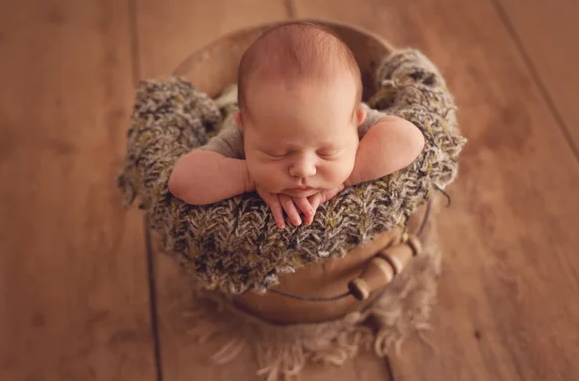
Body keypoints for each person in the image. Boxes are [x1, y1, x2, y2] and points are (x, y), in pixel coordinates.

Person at [168, 22, 425, 229]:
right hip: (231, 103)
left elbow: (409, 139)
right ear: (244, 126)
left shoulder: (339, 116)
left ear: (356, 121)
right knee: (229, 99)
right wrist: (248, 177)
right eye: (276, 153)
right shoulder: (242, 133)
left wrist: (345, 180)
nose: (303, 169)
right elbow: (182, 182)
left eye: (327, 152)